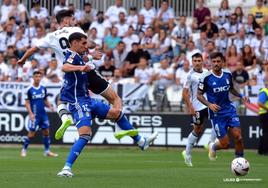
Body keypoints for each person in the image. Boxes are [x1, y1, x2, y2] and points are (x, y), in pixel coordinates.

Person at [16, 10, 130, 141]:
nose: (73, 21)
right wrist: (92, 53)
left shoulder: (51, 36)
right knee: (115, 98)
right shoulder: (75, 30)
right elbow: (85, 47)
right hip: (87, 71)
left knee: (61, 100)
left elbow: (33, 49)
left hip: (71, 75)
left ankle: (66, 118)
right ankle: (119, 128)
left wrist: (23, 60)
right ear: (65, 20)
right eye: (71, 18)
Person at [57, 33, 158, 177]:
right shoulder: (71, 55)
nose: (86, 46)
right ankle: (66, 168)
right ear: (74, 43)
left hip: (87, 99)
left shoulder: (79, 57)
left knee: (116, 113)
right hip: (78, 102)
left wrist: (91, 57)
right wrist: (81, 69)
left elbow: (84, 59)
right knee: (85, 134)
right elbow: (65, 67)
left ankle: (141, 141)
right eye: (83, 43)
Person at [197, 52, 249, 160]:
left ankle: (240, 161)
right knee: (225, 144)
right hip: (217, 114)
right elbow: (199, 95)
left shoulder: (227, 74)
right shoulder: (205, 77)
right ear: (211, 63)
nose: (216, 63)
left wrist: (241, 96)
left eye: (218, 61)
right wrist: (209, 104)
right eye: (214, 61)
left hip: (229, 110)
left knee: (238, 137)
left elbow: (230, 88)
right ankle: (213, 146)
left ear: (223, 62)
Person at [181, 53, 216, 166]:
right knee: (198, 130)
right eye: (194, 61)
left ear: (202, 61)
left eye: (198, 60)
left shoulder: (207, 72)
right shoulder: (190, 75)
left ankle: (210, 144)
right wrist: (190, 106)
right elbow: (184, 93)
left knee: (217, 122)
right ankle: (187, 154)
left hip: (207, 104)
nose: (196, 63)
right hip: (197, 107)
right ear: (192, 62)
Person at [21, 70, 58, 157]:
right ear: (33, 78)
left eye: (39, 76)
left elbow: (45, 100)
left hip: (43, 114)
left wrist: (50, 106)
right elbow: (27, 103)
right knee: (31, 133)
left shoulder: (43, 88)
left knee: (46, 132)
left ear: (41, 78)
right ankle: (24, 149)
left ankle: (47, 151)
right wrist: (30, 114)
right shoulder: (29, 89)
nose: (38, 78)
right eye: (36, 76)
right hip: (35, 115)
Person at [257, 74, 268, 155]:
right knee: (266, 132)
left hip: (264, 113)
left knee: (265, 132)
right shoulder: (264, 91)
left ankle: (261, 150)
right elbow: (260, 103)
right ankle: (265, 151)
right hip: (265, 113)